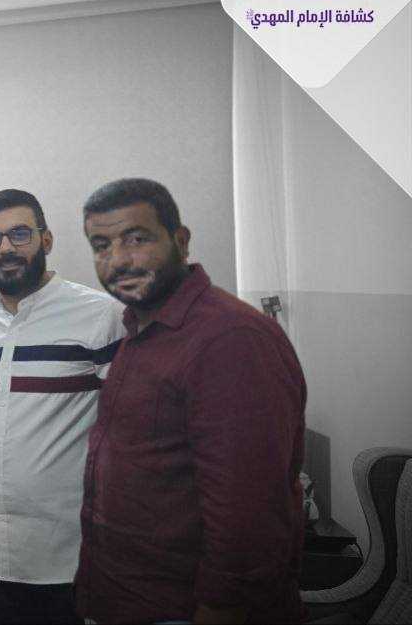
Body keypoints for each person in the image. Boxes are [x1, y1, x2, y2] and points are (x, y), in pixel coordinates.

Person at [76, 178, 306, 624]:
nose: (118, 260)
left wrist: (220, 610)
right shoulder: (142, 330)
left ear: (180, 241)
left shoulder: (229, 338)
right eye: (101, 246)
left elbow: (248, 513)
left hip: (187, 608)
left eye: (137, 239)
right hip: (127, 598)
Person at [0, 189, 124, 624]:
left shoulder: (101, 316)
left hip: (70, 559)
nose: (5, 247)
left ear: (46, 240)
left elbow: (128, 434)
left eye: (19, 234)